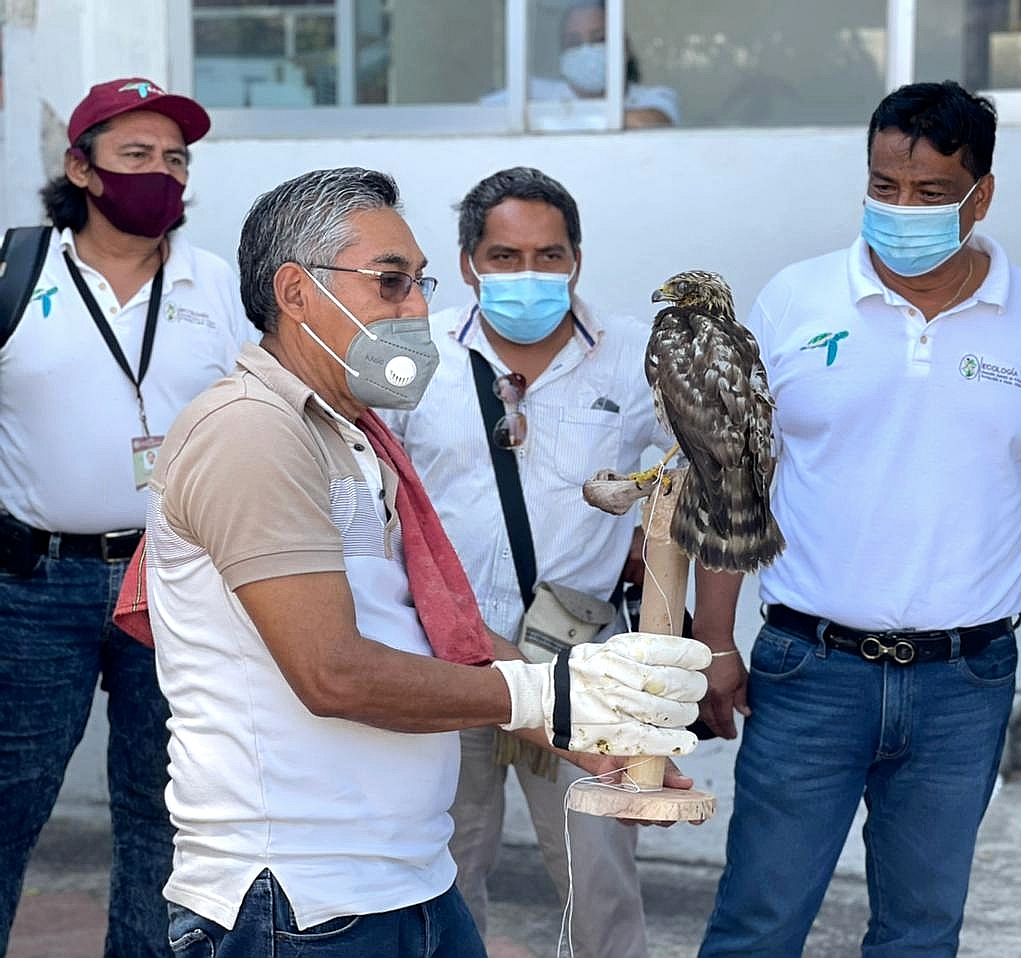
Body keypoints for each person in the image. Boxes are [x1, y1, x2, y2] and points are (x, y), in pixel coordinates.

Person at [144, 166, 710, 956]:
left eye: (419, 282)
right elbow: (333, 672)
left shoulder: (353, 430)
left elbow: (434, 624)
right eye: (391, 282)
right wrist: (548, 691)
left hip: (405, 882)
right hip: (297, 902)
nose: (416, 308)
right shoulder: (251, 432)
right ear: (296, 292)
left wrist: (588, 730)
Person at [696, 80, 1021, 957]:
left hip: (965, 684)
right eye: (884, 186)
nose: (903, 209)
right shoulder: (796, 300)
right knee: (758, 923)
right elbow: (735, 478)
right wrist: (715, 642)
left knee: (922, 933)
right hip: (809, 672)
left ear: (981, 195)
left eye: (931, 192)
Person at [381, 166, 672, 958]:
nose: (529, 274)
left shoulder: (634, 358)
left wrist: (662, 566)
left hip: (583, 668)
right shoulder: (411, 353)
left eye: (549, 255)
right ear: (468, 262)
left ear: (577, 258)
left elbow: (705, 476)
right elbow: (375, 496)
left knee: (600, 877)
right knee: (440, 869)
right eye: (505, 257)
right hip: (447, 659)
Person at [0, 76, 255, 957]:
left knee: (165, 811)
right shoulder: (17, 271)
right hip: (34, 586)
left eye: (176, 160)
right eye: (136, 155)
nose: (162, 174)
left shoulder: (216, 284)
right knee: (9, 800)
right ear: (81, 168)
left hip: (178, 578)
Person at [482, 0, 679, 128]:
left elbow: (657, 121)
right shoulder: (532, 93)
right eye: (573, 42)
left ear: (625, 48)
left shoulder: (654, 97)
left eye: (599, 39)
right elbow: (478, 117)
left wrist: (551, 119)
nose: (586, 50)